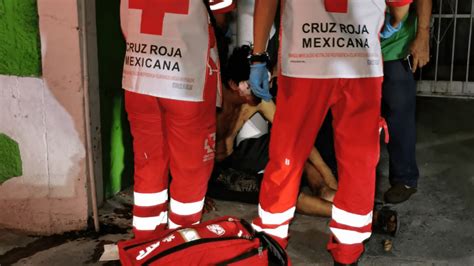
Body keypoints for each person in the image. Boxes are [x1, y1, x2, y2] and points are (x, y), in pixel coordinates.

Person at [249, 1, 412, 265]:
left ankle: (269, 248)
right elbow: (401, 4)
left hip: (304, 60)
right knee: (359, 164)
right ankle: (347, 255)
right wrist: (394, 23)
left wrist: (258, 56)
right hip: (359, 64)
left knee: (286, 157)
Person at [120, 0, 232, 240]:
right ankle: (180, 245)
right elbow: (221, 14)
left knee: (148, 164)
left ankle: (145, 244)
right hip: (187, 79)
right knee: (191, 170)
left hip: (139, 75)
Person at [207, 45, 337, 217]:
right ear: (233, 84)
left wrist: (327, 175)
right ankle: (356, 217)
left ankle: (325, 191)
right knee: (278, 191)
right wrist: (196, 194)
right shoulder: (212, 104)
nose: (262, 89)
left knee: (290, 146)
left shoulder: (254, 99)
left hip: (238, 155)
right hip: (214, 170)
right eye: (254, 84)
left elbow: (293, 135)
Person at [381, 0, 432, 204]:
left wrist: (423, 35)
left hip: (396, 46)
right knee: (349, 114)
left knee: (399, 114)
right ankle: (337, 174)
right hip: (355, 46)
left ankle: (405, 178)